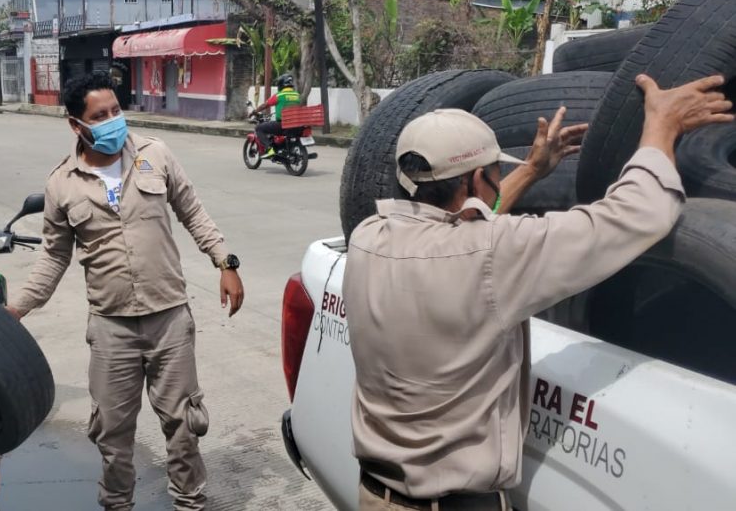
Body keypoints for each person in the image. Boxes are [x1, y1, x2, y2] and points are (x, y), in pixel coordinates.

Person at [343, 74, 733, 511]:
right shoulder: (492, 257)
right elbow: (636, 213)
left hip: (377, 496)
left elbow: (466, 230)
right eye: (493, 174)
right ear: (474, 182)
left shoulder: (367, 237)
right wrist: (661, 126)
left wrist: (530, 171)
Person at [6, 71, 245, 510]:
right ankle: (118, 506)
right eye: (101, 115)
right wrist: (17, 307)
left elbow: (193, 211)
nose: (114, 120)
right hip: (111, 328)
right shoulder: (62, 184)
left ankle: (190, 504)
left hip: (169, 318)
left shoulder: (156, 155)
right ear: (76, 125)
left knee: (184, 426)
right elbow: (54, 258)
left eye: (116, 110)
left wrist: (225, 262)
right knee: (112, 436)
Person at [249, 73, 299, 158]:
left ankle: (269, 149)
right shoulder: (297, 95)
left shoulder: (279, 95)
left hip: (283, 125)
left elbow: (265, 105)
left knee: (259, 128)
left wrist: (254, 111)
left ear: (281, 84)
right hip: (297, 125)